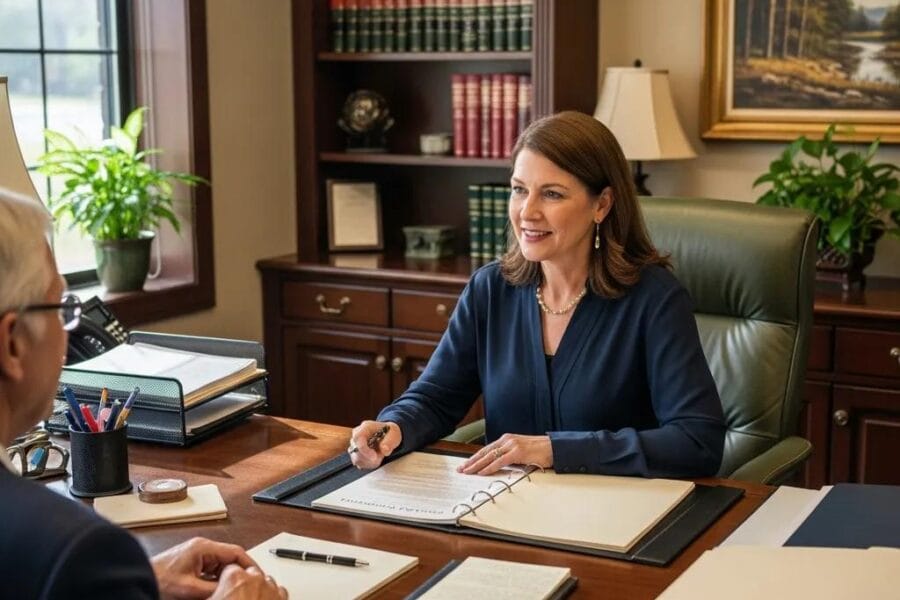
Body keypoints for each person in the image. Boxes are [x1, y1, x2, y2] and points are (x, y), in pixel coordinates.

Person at [350, 111, 726, 478]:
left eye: (551, 194)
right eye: (519, 190)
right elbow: (435, 397)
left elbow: (697, 441)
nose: (527, 212)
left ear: (602, 204)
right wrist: (394, 428)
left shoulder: (654, 300)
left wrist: (554, 450)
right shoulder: (491, 290)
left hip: (615, 518)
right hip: (505, 511)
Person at [0, 187, 287, 600]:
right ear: (12, 344)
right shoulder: (77, 551)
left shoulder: (80, 565)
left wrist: (132, 583)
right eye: (60, 308)